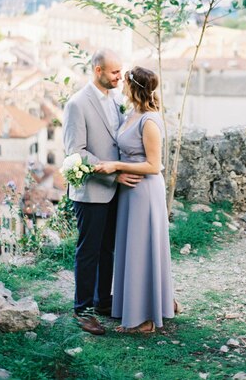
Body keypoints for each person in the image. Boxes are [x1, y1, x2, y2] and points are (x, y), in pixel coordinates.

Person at [63, 49, 143, 336]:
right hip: (91, 191)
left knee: (108, 248)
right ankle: (82, 310)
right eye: (114, 72)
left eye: (120, 71)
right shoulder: (77, 104)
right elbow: (76, 153)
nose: (120, 76)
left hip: (115, 190)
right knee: (88, 252)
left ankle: (102, 302)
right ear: (98, 71)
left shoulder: (118, 99)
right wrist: (113, 171)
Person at [95, 66, 175, 333]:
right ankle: (152, 303)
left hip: (144, 192)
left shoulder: (149, 121)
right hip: (129, 192)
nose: (121, 82)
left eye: (125, 80)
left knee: (143, 249)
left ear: (134, 88)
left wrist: (116, 166)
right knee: (132, 250)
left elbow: (154, 165)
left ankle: (145, 320)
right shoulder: (131, 112)